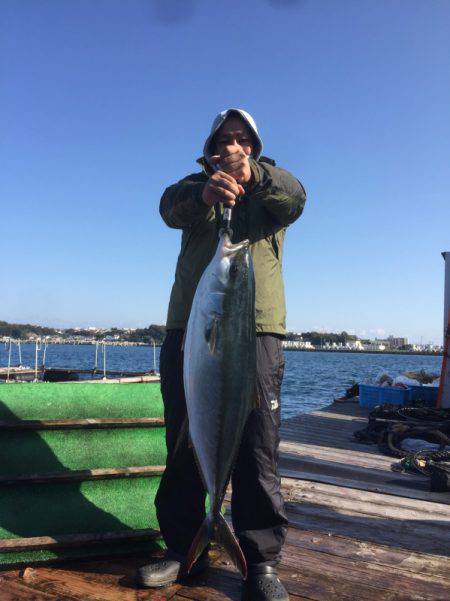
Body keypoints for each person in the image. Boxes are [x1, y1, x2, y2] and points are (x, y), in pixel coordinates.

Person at [136, 109, 306, 601]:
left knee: (257, 447)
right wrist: (203, 192)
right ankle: (183, 546)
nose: (233, 145)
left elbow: (296, 198)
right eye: (224, 138)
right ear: (210, 147)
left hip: (256, 332)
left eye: (242, 139)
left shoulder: (274, 186)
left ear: (253, 147)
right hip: (189, 329)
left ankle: (261, 563)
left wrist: (253, 177)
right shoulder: (192, 187)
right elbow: (169, 209)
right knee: (184, 438)